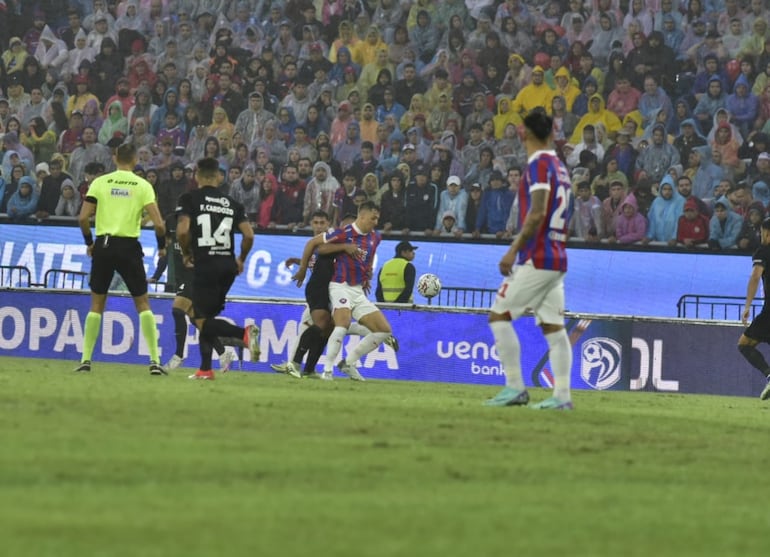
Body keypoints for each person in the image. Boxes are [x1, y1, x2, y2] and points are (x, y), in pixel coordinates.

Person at [484, 109, 574, 410]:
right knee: (554, 327)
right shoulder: (560, 167)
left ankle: (514, 387)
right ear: (551, 133)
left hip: (536, 256)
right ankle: (561, 397)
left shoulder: (538, 165)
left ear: (524, 133)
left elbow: (537, 211)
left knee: (499, 316)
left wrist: (513, 249)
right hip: (558, 255)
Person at [75, 143, 166, 375]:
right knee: (143, 303)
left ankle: (85, 360)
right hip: (129, 246)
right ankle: (154, 362)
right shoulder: (143, 185)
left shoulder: (100, 182)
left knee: (97, 304)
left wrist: (90, 244)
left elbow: (83, 218)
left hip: (104, 245)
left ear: (115, 159)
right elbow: (159, 223)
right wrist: (162, 248)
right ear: (135, 159)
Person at [174, 157, 260, 381]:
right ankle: (205, 369)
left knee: (202, 320)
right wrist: (240, 258)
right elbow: (249, 234)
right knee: (205, 316)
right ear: (218, 177)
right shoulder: (232, 203)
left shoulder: (189, 198)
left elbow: (182, 231)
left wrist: (185, 253)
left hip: (206, 263)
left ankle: (243, 333)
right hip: (228, 266)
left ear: (197, 176)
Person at [293, 201, 392, 381]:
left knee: (384, 330)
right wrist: (302, 268)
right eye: (373, 218)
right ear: (362, 216)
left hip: (357, 289)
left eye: (377, 218)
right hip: (338, 285)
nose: (376, 222)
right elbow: (318, 246)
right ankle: (326, 370)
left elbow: (370, 257)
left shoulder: (375, 237)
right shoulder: (344, 232)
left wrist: (367, 276)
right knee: (340, 324)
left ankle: (348, 363)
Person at [163, 211, 240, 373]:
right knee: (198, 322)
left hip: (195, 279)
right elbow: (166, 252)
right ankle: (224, 353)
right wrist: (157, 274)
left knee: (177, 311)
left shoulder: (201, 233)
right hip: (181, 279)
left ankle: (179, 355)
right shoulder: (170, 225)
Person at [739, 217, 770, 400]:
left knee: (744, 345)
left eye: (762, 232)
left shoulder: (763, 251)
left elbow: (755, 276)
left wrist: (747, 305)